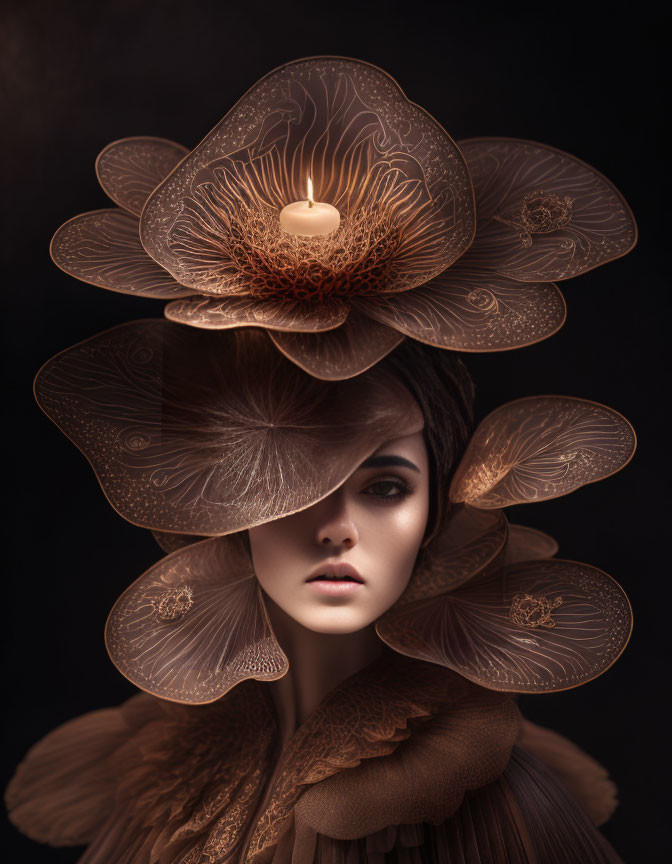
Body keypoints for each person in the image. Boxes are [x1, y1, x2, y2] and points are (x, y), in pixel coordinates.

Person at [7, 328, 633, 863]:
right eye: (292, 481)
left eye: (386, 487)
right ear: (229, 509)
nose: (336, 526)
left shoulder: (487, 790)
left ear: (437, 512)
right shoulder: (155, 768)